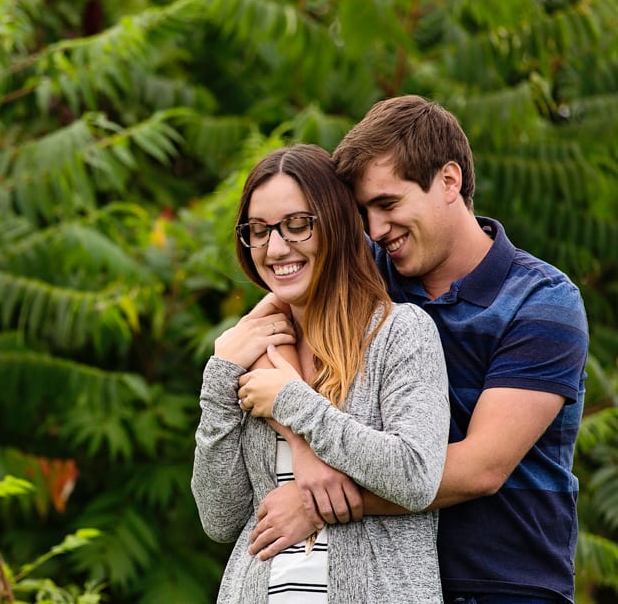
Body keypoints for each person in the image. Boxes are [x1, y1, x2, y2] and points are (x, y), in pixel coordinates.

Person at [248, 96, 589, 604]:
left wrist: (319, 501)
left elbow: (482, 468)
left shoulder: (542, 301)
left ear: (449, 181)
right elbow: (260, 333)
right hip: (389, 580)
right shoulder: (370, 272)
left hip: (503, 581)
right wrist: (304, 451)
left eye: (388, 205)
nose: (375, 229)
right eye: (364, 212)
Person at [191, 144, 450, 603]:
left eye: (297, 225)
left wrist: (293, 404)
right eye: (258, 231)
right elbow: (220, 518)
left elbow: (415, 476)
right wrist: (220, 378)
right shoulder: (251, 350)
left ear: (337, 223)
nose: (276, 248)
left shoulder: (400, 333)